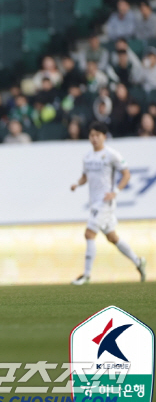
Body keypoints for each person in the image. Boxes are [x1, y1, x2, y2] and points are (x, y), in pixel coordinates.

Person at [70, 122, 146, 285]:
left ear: (104, 137)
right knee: (112, 237)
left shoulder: (112, 155)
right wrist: (77, 183)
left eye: (98, 135)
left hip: (105, 202)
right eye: (92, 135)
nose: (94, 138)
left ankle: (87, 275)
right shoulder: (88, 157)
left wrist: (116, 192)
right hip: (94, 202)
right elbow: (85, 177)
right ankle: (138, 261)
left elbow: (126, 174)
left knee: (89, 234)